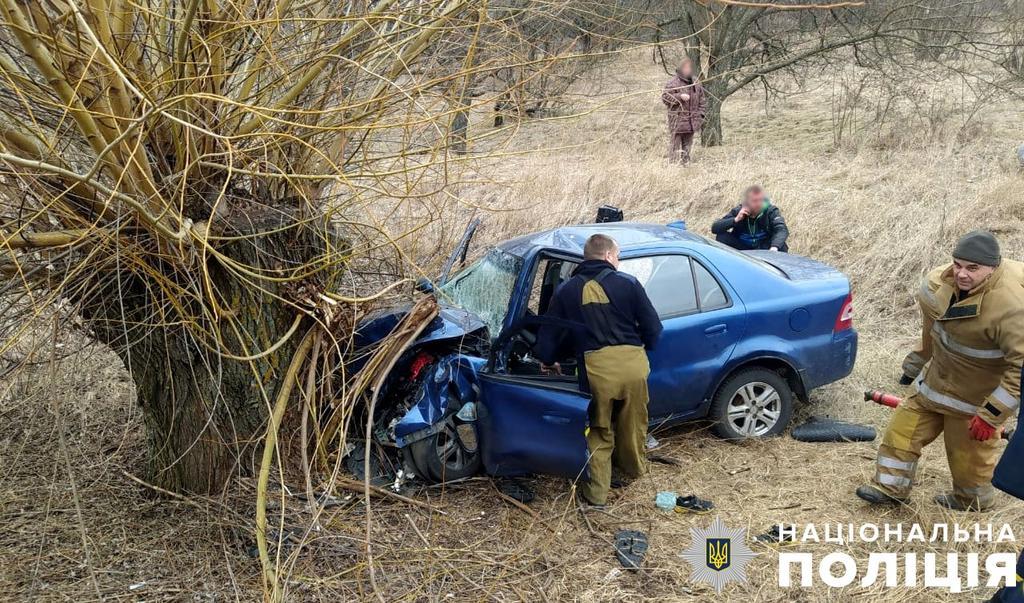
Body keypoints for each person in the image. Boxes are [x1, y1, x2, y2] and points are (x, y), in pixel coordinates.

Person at [856, 230, 1024, 511]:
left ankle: (971, 501)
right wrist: (915, 364)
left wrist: (991, 415)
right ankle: (890, 488)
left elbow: (1021, 370)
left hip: (973, 403)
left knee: (969, 463)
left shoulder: (1011, 310)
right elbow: (930, 334)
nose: (961, 274)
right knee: (902, 430)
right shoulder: (937, 284)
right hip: (933, 387)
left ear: (992, 268)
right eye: (957, 265)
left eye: (973, 268)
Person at [534, 234, 663, 508]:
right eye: (617, 256)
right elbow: (653, 328)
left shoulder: (566, 291)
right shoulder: (628, 283)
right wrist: (644, 348)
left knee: (598, 430)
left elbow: (549, 336)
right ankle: (634, 471)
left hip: (596, 370)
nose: (618, 261)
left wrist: (549, 358)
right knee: (633, 424)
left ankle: (596, 495)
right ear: (607, 256)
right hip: (633, 366)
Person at [711, 185, 789, 252]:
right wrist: (736, 219)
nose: (759, 204)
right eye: (755, 201)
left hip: (764, 248)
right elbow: (715, 228)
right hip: (743, 249)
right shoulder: (738, 210)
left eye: (761, 200)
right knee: (722, 237)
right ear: (747, 202)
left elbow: (782, 229)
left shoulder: (770, 211)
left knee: (781, 246)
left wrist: (774, 248)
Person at [661, 58, 706, 164]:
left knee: (687, 149)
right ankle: (674, 169)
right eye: (685, 67)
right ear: (680, 68)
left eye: (689, 67)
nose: (688, 69)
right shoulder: (673, 82)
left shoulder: (696, 82)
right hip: (677, 122)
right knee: (675, 151)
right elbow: (665, 98)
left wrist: (700, 115)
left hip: (692, 122)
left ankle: (686, 168)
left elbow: (702, 100)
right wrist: (679, 96)